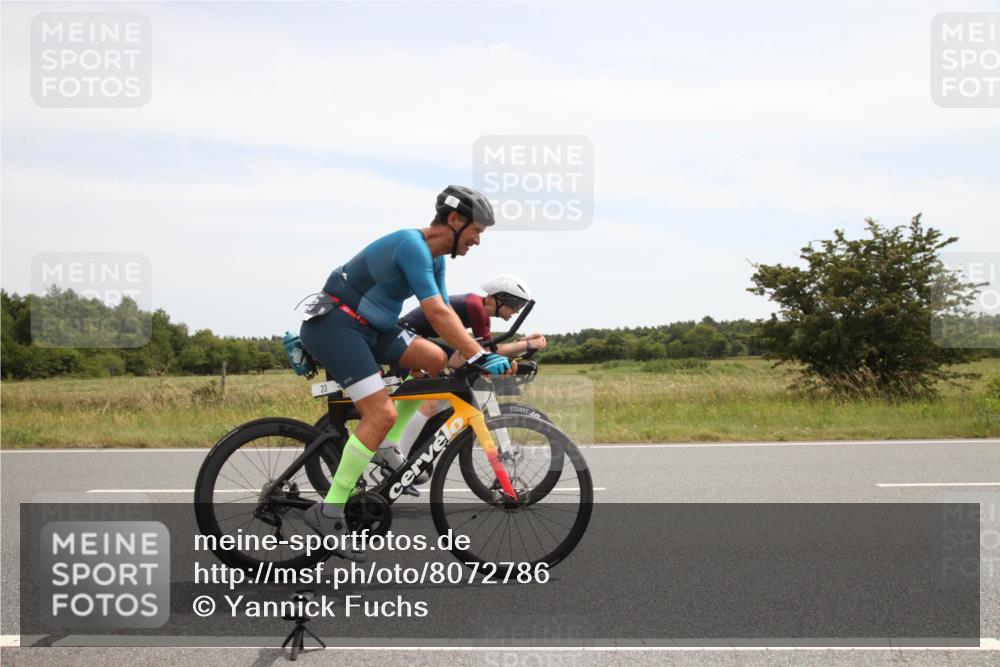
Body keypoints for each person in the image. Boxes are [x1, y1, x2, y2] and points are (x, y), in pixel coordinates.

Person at [298, 185, 514, 560]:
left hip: (371, 327)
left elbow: (445, 311)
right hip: (338, 326)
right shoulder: (411, 245)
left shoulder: (437, 260)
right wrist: (479, 354)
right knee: (380, 413)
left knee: (435, 359)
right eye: (476, 231)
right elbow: (436, 313)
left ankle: (387, 444)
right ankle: (329, 511)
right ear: (454, 220)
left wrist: (474, 353)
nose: (478, 241)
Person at [376, 275, 547, 480]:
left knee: (442, 395)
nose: (516, 311)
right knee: (428, 403)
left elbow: (486, 351)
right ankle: (397, 463)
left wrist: (520, 344)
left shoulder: (480, 312)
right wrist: (524, 345)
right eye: (516, 305)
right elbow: (484, 353)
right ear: (499, 298)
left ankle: (408, 454)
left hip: (418, 338)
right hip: (408, 337)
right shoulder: (476, 307)